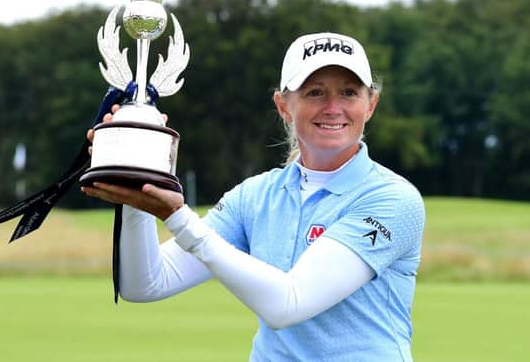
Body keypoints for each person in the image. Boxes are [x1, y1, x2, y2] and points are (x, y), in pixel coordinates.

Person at [82, 32, 426, 361]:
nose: (333, 107)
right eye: (315, 92)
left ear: (371, 105)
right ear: (283, 105)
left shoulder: (393, 199)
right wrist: (137, 185)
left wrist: (178, 216)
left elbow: (289, 303)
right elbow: (145, 284)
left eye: (349, 92)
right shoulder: (256, 196)